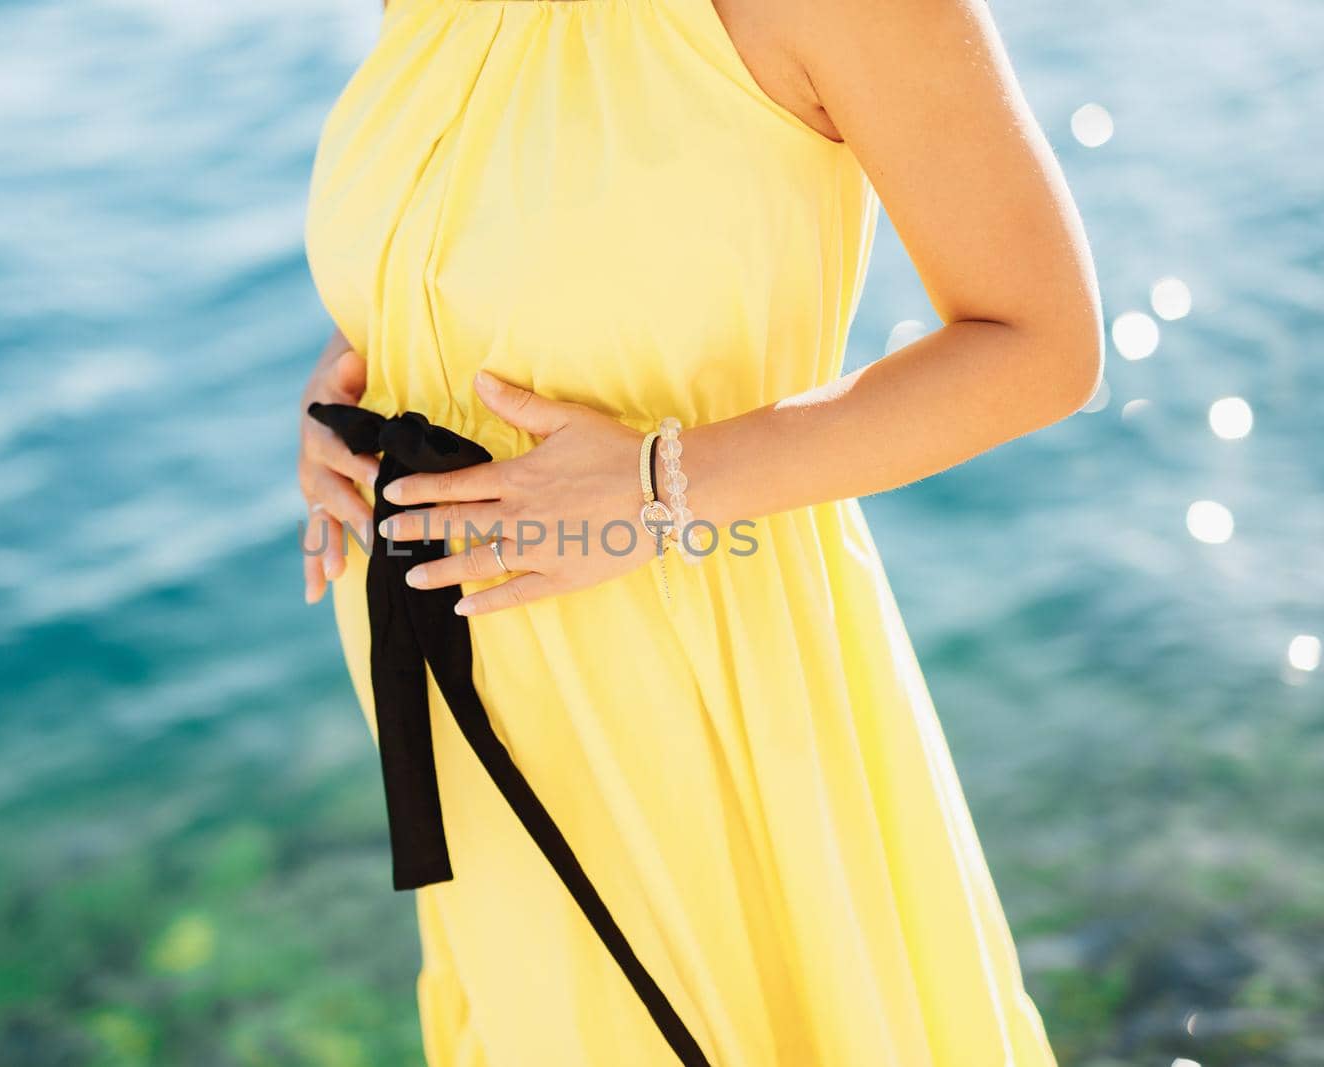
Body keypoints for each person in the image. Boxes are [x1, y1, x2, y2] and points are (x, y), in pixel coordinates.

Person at [296, 0, 1100, 1062]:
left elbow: (1042, 342)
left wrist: (656, 484)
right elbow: (477, 241)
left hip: (697, 703)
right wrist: (359, 375)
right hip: (469, 717)